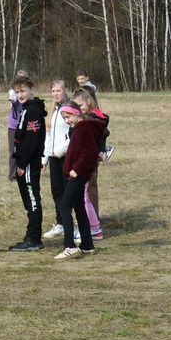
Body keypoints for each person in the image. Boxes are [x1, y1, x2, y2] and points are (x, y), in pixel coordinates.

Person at [55, 99, 103, 258]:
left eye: (68, 116)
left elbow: (90, 153)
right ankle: (87, 245)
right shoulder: (80, 128)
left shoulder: (82, 128)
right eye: (64, 118)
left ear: (76, 113)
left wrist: (77, 169)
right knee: (79, 207)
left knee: (64, 206)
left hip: (78, 175)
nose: (67, 120)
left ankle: (69, 245)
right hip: (77, 174)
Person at [7, 73, 47, 251]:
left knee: (32, 200)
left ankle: (34, 238)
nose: (20, 95)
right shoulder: (25, 109)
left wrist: (22, 164)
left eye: (23, 91)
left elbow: (31, 141)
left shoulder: (33, 111)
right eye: (17, 92)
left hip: (29, 164)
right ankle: (30, 235)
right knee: (28, 201)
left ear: (32, 90)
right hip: (24, 163)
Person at [75, 85, 109, 238]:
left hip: (89, 160)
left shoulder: (91, 118)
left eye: (80, 105)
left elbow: (104, 132)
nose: (79, 109)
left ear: (88, 102)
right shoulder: (93, 116)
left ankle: (92, 225)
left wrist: (100, 149)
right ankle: (90, 223)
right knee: (88, 191)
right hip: (90, 158)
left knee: (87, 193)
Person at [41, 78, 72, 242]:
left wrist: (59, 151)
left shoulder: (70, 108)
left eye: (58, 90)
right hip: (54, 157)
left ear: (65, 90)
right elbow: (49, 135)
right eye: (53, 91)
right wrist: (45, 157)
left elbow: (73, 136)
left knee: (69, 193)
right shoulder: (54, 111)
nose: (55, 94)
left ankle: (74, 226)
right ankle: (60, 223)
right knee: (57, 191)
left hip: (67, 157)